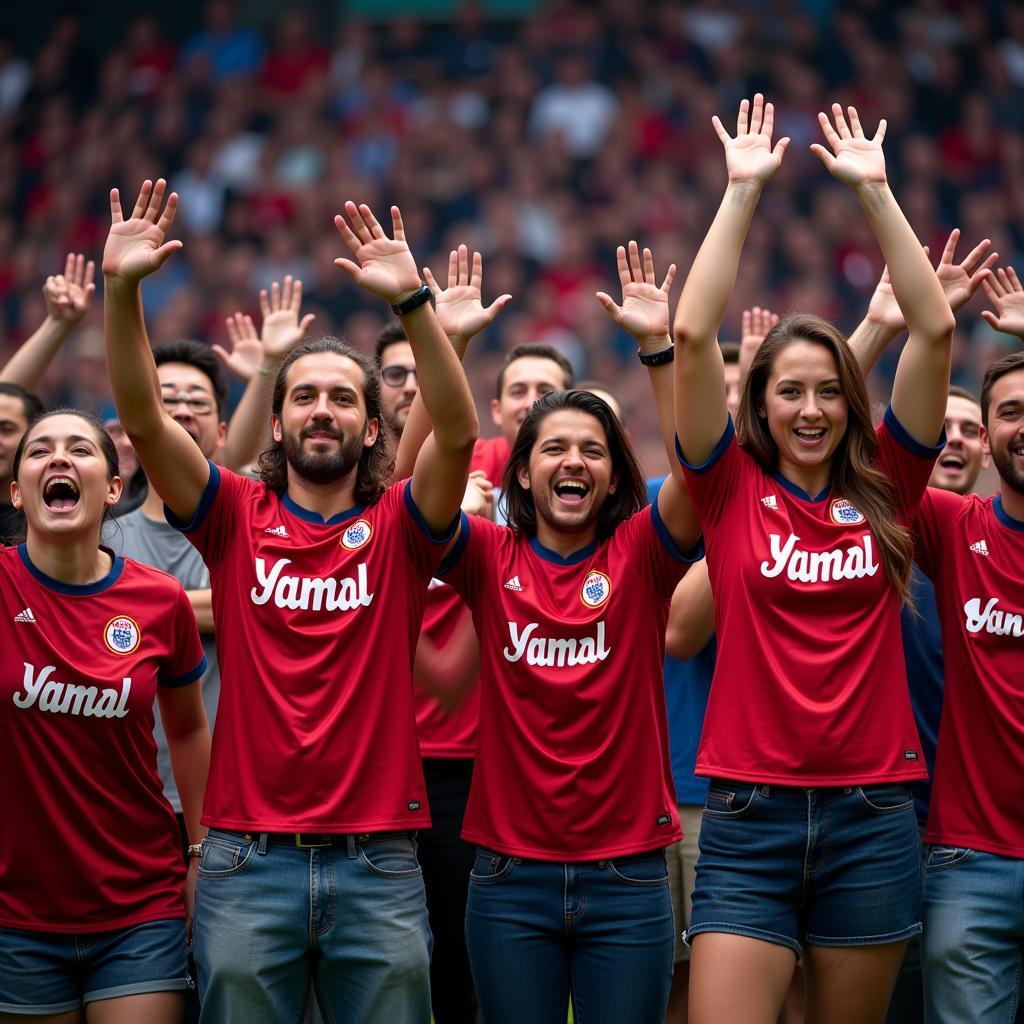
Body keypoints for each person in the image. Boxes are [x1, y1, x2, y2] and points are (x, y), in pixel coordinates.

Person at [103, 179, 478, 1023]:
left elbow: (454, 429)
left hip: (379, 860)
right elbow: (140, 414)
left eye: (344, 398)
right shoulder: (234, 515)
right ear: (274, 424)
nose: (322, 411)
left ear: (374, 429)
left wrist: (415, 303)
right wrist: (122, 290)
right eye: (304, 396)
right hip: (247, 861)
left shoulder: (401, 526)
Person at [674, 96, 955, 1024]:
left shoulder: (893, 486)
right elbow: (686, 334)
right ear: (758, 403)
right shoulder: (727, 491)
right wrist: (741, 193)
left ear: (851, 401)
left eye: (828, 391)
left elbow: (936, 330)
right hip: (747, 819)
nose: (807, 409)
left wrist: (876, 192)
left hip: (873, 819)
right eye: (787, 391)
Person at [431, 236, 702, 1023]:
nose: (572, 460)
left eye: (592, 449)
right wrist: (445, 342)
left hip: (629, 875)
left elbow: (699, 473)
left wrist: (658, 349)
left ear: (615, 473)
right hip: (508, 875)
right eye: (553, 448)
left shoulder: (643, 553)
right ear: (522, 472)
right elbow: (430, 472)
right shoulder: (484, 554)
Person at [0, 408, 209, 1021]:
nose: (59, 459)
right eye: (39, 451)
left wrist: (199, 853)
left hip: (140, 905)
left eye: (80, 450)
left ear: (114, 488)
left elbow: (190, 729)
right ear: (17, 492)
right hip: (16, 913)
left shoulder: (160, 598)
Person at [915, 287, 1024, 1024]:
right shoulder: (955, 528)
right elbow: (868, 451)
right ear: (983, 438)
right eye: (1011, 412)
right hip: (970, 862)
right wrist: (922, 325)